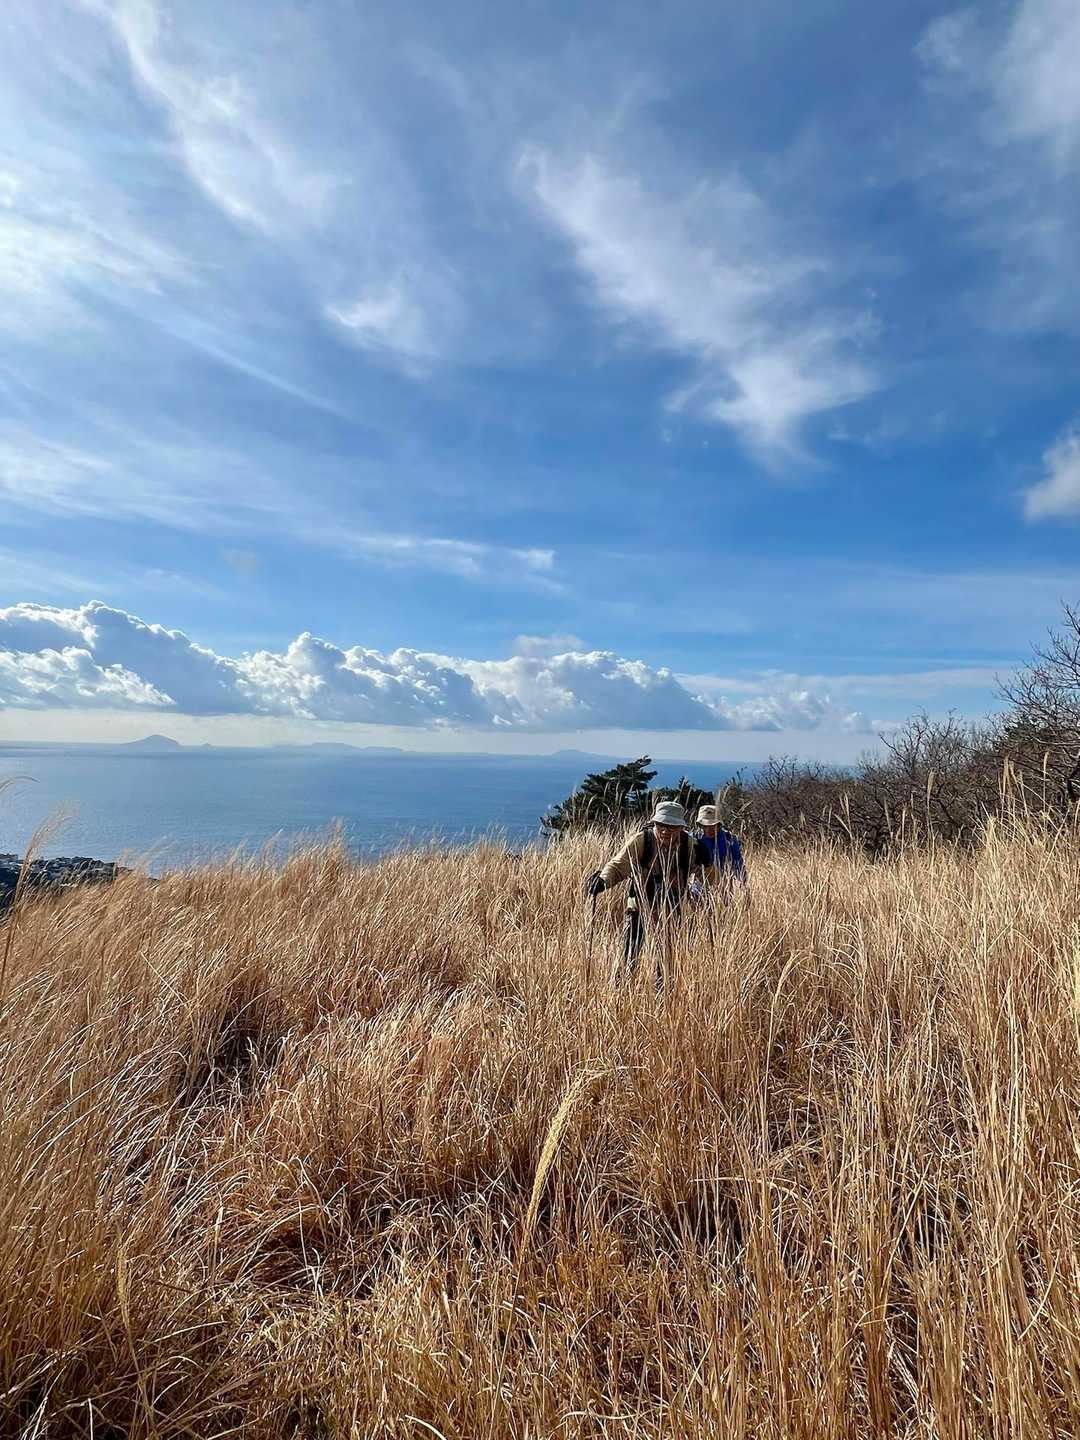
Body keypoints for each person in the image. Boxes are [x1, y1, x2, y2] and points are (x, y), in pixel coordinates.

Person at [585, 801, 710, 977]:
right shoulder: (642, 841)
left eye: (671, 827)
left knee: (667, 960)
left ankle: (663, 988)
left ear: (681, 828)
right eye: (661, 825)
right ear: (655, 823)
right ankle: (623, 986)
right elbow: (618, 865)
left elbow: (711, 878)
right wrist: (603, 881)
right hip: (639, 906)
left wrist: (708, 864)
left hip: (671, 909)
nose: (665, 831)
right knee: (630, 954)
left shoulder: (690, 845)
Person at [690, 805, 746, 895]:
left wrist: (743, 884)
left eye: (713, 825)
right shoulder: (694, 838)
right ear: (700, 825)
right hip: (700, 884)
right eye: (705, 826)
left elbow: (738, 862)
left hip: (724, 885)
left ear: (719, 824)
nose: (709, 829)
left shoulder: (729, 839)